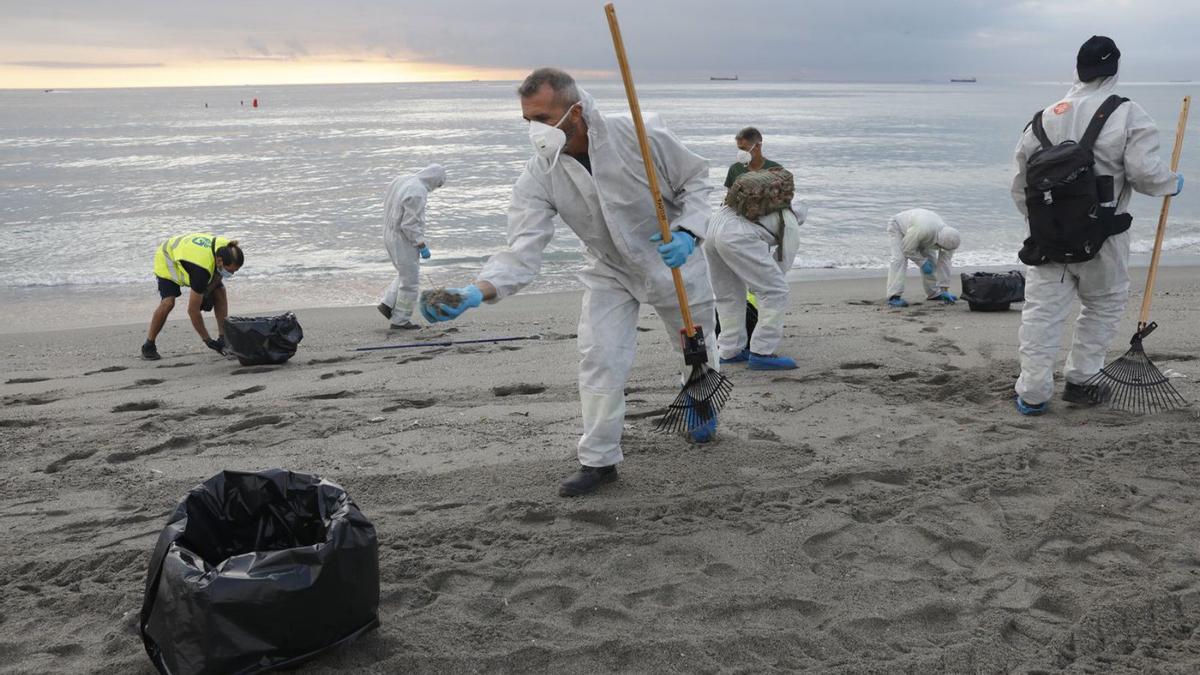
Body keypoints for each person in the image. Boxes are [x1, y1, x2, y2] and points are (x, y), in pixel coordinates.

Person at [419, 67, 718, 497]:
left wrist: (689, 233)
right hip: (609, 270)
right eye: (528, 121)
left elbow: (697, 180)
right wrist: (476, 291)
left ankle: (702, 403)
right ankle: (599, 459)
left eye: (542, 118)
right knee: (599, 357)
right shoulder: (541, 173)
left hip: (673, 261)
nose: (535, 130)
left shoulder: (636, 135)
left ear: (574, 111)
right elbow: (524, 247)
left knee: (695, 346)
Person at [1010, 36, 1183, 416]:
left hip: (1047, 241)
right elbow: (1144, 176)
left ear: (1078, 69)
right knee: (1101, 307)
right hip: (1103, 238)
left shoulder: (1042, 118)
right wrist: (1173, 182)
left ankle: (1034, 393)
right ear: (1114, 69)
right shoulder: (1127, 113)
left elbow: (1020, 187)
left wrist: (1044, 225)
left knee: (1041, 315)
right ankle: (1082, 381)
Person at [705, 170, 801, 370]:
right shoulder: (790, 221)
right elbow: (782, 264)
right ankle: (762, 352)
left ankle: (729, 350)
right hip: (736, 235)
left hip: (714, 227)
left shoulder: (756, 206)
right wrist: (760, 285)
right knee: (776, 290)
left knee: (728, 295)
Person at [143, 233, 244, 360]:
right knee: (168, 302)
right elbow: (192, 311)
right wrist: (208, 341)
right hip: (167, 257)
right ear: (219, 261)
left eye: (235, 271)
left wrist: (207, 292)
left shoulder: (228, 248)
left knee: (220, 291)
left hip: (189, 253)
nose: (232, 274)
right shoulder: (201, 270)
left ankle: (224, 338)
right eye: (229, 270)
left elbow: (218, 275)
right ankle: (149, 345)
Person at [377, 164, 446, 329]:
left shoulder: (402, 179)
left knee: (405, 272)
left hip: (388, 232)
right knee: (411, 282)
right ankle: (400, 321)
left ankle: (387, 304)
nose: (435, 188)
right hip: (403, 239)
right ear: (434, 179)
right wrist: (420, 243)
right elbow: (409, 225)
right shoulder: (418, 192)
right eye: (438, 185)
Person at [885, 208, 961, 307]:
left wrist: (944, 289)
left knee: (932, 261)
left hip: (920, 233)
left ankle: (935, 293)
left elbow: (945, 262)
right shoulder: (922, 230)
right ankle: (893, 296)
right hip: (898, 227)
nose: (941, 250)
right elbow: (907, 249)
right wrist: (922, 262)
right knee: (899, 260)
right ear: (938, 242)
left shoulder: (951, 238)